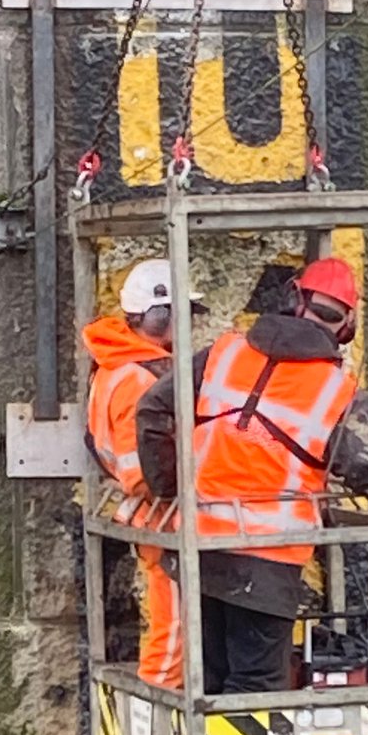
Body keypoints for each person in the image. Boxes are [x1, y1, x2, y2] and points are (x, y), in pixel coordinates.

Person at [135, 256, 368, 695]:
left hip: (200, 546)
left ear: (293, 299)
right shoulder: (334, 391)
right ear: (346, 326)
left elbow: (153, 409)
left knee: (211, 677)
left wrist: (170, 487)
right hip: (266, 560)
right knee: (255, 688)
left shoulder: (225, 352)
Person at [82, 257, 208, 689]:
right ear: (159, 316)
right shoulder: (139, 378)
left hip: (151, 511)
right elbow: (142, 471)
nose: (189, 324)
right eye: (183, 313)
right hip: (162, 512)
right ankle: (156, 711)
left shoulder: (119, 366)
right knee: (174, 628)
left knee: (175, 623)